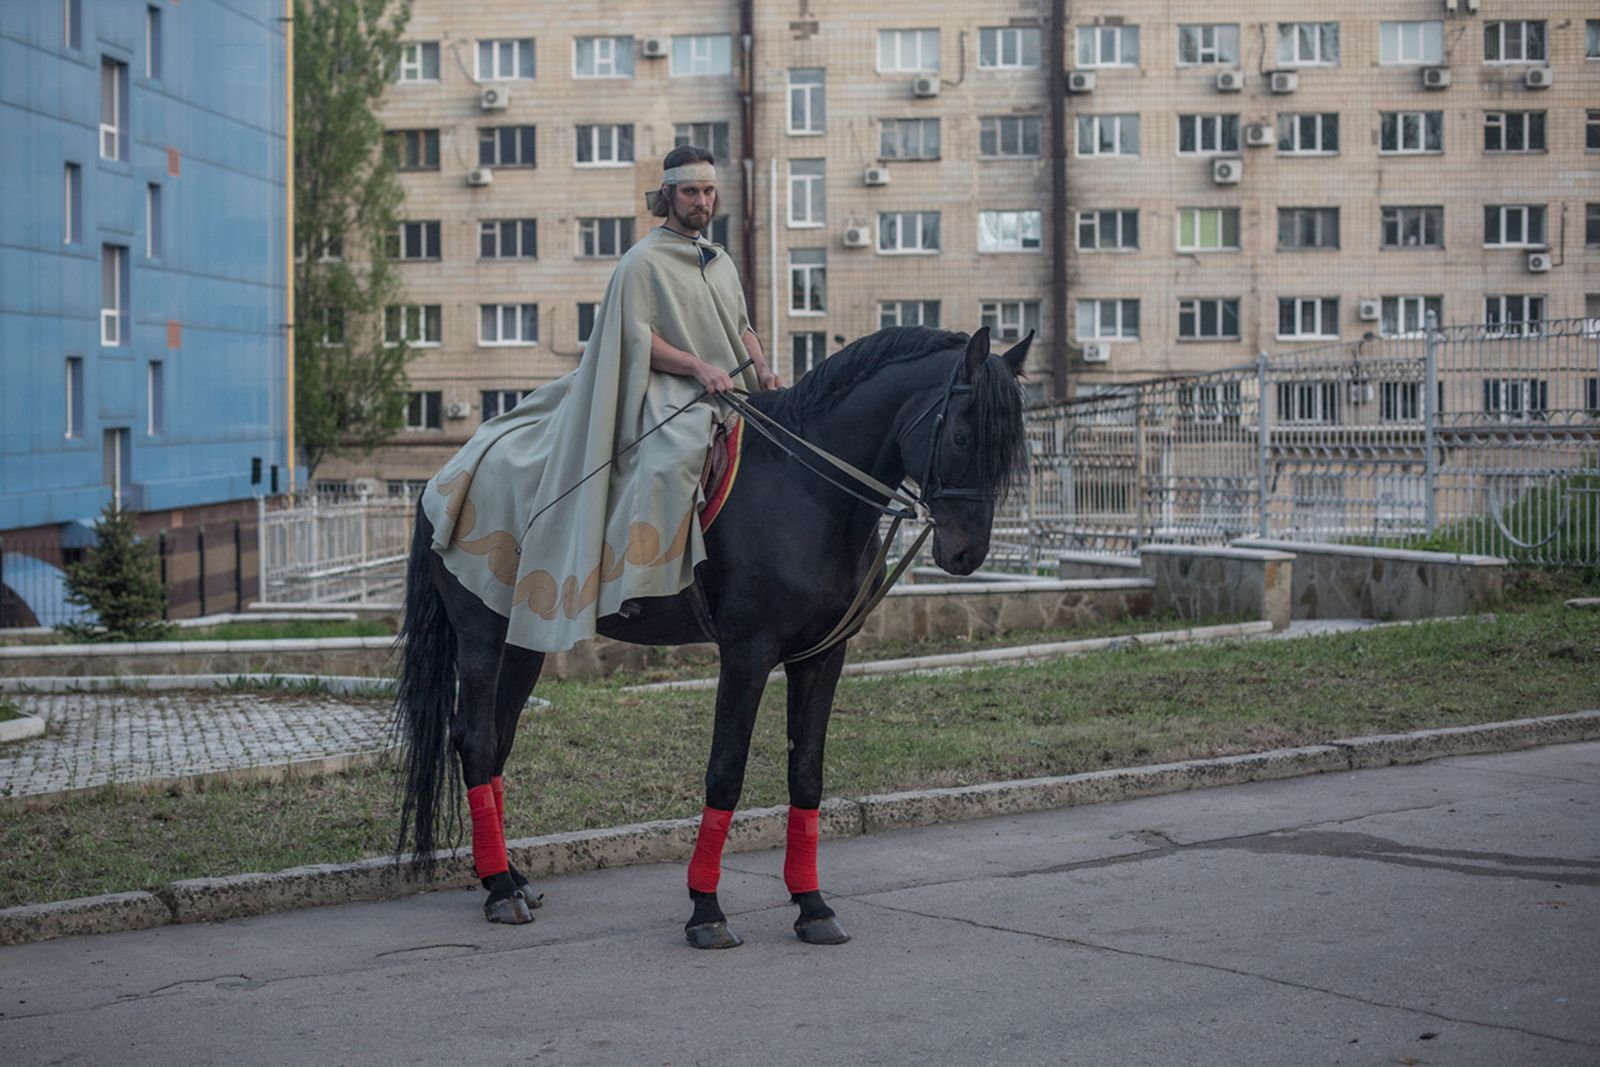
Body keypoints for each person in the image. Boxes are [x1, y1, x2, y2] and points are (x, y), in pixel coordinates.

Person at [419, 146, 777, 653]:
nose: (702, 201)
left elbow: (740, 328)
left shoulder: (719, 263)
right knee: (667, 460)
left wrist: (762, 368)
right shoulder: (643, 261)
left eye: (708, 191)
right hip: (666, 388)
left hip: (730, 390)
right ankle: (635, 585)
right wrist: (696, 366)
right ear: (668, 195)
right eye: (691, 191)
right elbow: (633, 338)